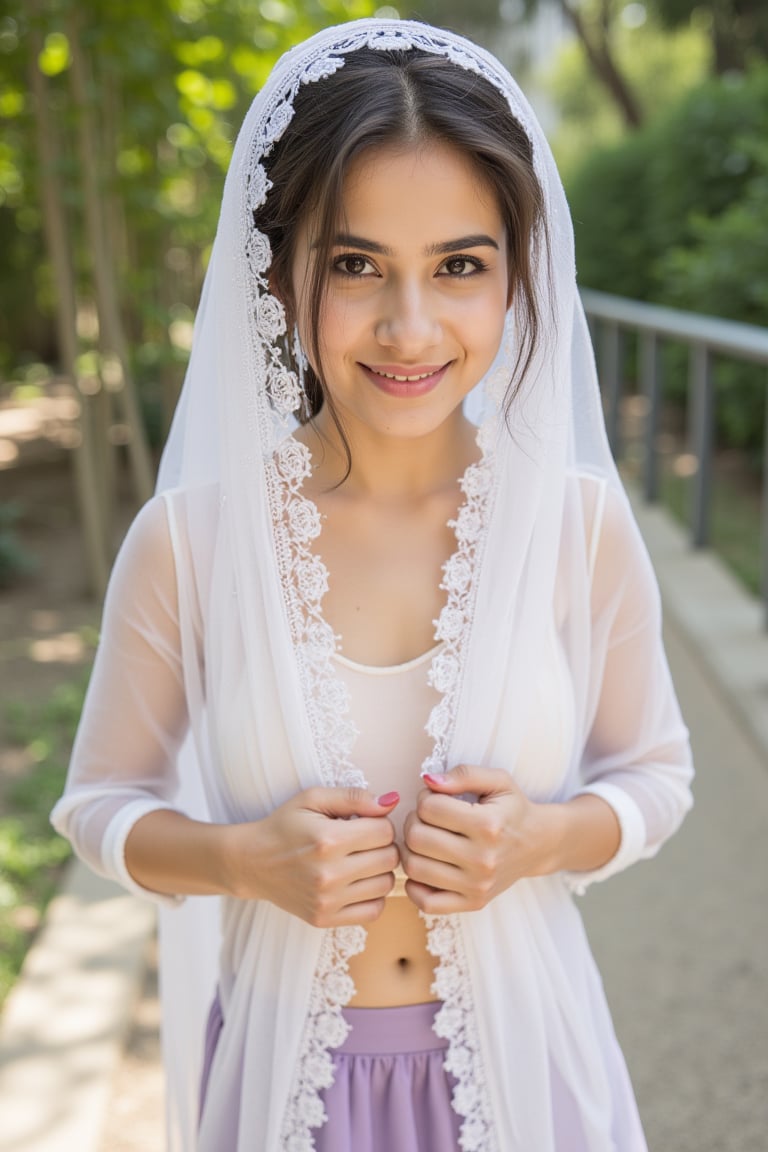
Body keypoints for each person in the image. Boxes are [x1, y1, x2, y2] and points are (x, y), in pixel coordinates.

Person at [52, 18, 694, 1152]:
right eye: (356, 265)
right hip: (285, 1091)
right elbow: (100, 807)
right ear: (282, 269)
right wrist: (241, 860)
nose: (411, 325)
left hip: (532, 1072)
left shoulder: (578, 526)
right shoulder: (193, 542)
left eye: (459, 265)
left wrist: (541, 841)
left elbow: (656, 775)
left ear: (517, 275)